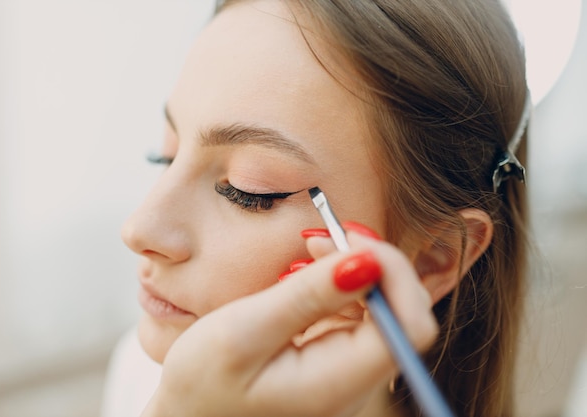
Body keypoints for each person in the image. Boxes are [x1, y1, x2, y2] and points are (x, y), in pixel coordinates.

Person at [112, 0, 530, 416]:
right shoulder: (146, 374)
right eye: (166, 155)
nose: (139, 229)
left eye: (249, 190)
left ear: (432, 259)